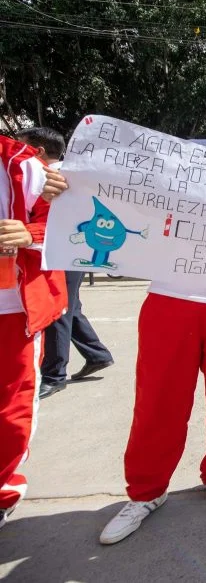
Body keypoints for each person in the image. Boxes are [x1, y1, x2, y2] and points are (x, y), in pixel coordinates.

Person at [44, 74, 206, 544]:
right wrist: (63, 186)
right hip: (170, 299)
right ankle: (145, 491)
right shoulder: (180, 159)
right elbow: (112, 186)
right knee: (158, 400)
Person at [16, 127, 114, 399]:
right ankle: (97, 354)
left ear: (38, 151)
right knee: (71, 307)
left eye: (21, 147)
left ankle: (54, 375)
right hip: (72, 251)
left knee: (58, 309)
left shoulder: (52, 177)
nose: (17, 153)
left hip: (59, 252)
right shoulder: (70, 175)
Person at [0, 134, 67, 530]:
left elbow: (65, 222)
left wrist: (29, 234)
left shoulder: (25, 165)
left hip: (12, 307)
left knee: (12, 406)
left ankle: (4, 487)